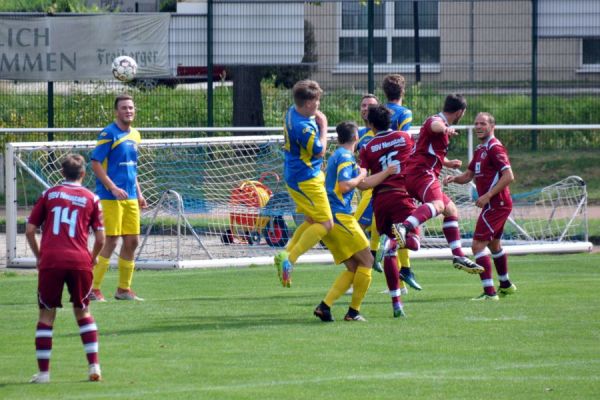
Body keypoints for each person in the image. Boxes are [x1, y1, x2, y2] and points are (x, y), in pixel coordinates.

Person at [25, 154, 105, 383]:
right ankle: (94, 367)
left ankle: (43, 374)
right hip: (80, 261)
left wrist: (40, 257)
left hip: (51, 261)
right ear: (83, 173)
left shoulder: (48, 194)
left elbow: (30, 230)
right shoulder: (92, 198)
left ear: (62, 173)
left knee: (46, 315)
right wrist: (92, 258)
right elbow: (101, 238)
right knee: (83, 311)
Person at [314, 121, 397, 322]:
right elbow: (344, 186)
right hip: (340, 217)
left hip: (330, 217)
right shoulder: (344, 156)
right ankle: (354, 312)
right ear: (356, 138)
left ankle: (325, 307)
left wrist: (379, 175)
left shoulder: (338, 156)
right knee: (368, 261)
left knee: (354, 268)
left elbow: (360, 185)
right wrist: (364, 173)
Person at [394, 94, 484, 274]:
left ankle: (458, 255)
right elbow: (435, 126)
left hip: (417, 174)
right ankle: (404, 226)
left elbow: (429, 150)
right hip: (422, 174)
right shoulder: (436, 121)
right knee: (438, 205)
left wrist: (448, 163)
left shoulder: (438, 124)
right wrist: (445, 129)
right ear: (460, 112)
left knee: (450, 210)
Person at [443, 112, 517, 300]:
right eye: (476, 123)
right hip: (494, 204)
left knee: (477, 246)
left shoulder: (495, 148)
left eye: (482, 123)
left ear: (492, 126)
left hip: (496, 203)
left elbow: (509, 176)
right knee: (494, 245)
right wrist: (453, 179)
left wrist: (487, 195)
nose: (478, 127)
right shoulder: (480, 149)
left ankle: (490, 292)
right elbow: (468, 176)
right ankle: (506, 284)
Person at [359, 104, 421, 318]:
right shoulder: (405, 137)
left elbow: (363, 182)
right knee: (414, 240)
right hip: (401, 194)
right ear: (390, 121)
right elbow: (418, 159)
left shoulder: (367, 148)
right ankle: (394, 240)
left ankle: (397, 304)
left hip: (380, 201)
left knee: (391, 252)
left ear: (371, 124)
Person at [274, 80, 332, 287]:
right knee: (326, 223)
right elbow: (319, 150)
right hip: (306, 179)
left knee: (311, 219)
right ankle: (290, 259)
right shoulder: (303, 126)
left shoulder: (292, 111)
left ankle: (285, 254)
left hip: (296, 174)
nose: (318, 106)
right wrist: (324, 125)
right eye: (316, 102)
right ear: (307, 104)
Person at [90, 94, 147, 301]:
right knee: (112, 240)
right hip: (109, 196)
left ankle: (123, 289)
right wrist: (112, 187)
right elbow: (95, 163)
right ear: (116, 112)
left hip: (130, 196)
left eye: (131, 108)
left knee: (132, 241)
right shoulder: (108, 133)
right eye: (124, 108)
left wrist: (139, 194)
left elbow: (133, 168)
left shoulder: (136, 135)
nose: (128, 111)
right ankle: (93, 289)